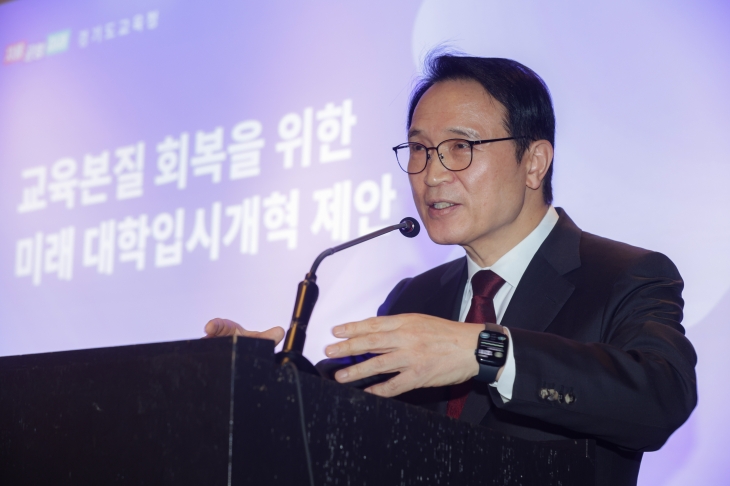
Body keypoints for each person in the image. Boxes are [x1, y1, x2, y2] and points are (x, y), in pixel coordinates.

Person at [205, 53, 697, 486]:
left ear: (534, 162)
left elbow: (660, 398)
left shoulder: (624, 275)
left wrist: (486, 351)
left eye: (461, 147)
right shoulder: (414, 298)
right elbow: (342, 409)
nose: (433, 174)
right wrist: (261, 377)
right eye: (420, 149)